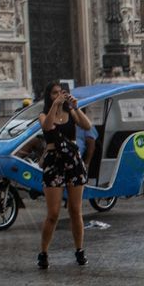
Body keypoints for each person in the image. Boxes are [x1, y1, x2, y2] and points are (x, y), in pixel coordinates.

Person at [37, 82, 92, 269]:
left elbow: (87, 125)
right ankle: (43, 252)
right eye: (54, 93)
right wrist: (55, 105)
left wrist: (75, 107)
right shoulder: (44, 114)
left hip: (73, 162)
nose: (58, 95)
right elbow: (47, 126)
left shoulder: (71, 113)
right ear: (48, 96)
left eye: (61, 92)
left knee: (75, 210)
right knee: (53, 213)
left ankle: (79, 250)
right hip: (54, 163)